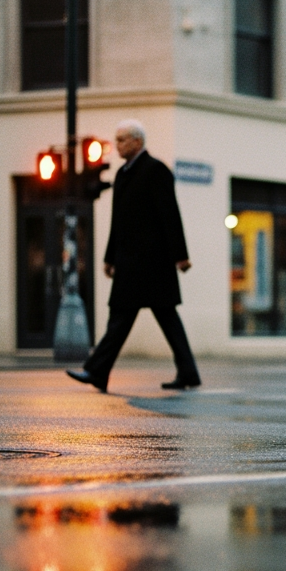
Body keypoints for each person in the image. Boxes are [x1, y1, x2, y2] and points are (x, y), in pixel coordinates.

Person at [67, 120, 201, 392]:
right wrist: (110, 257)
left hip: (154, 263)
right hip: (130, 263)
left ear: (138, 142)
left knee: (146, 318)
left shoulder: (156, 170)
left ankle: (97, 370)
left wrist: (180, 256)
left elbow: (169, 215)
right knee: (139, 318)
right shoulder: (123, 174)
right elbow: (119, 221)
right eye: (116, 140)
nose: (118, 145)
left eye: (123, 140)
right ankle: (186, 373)